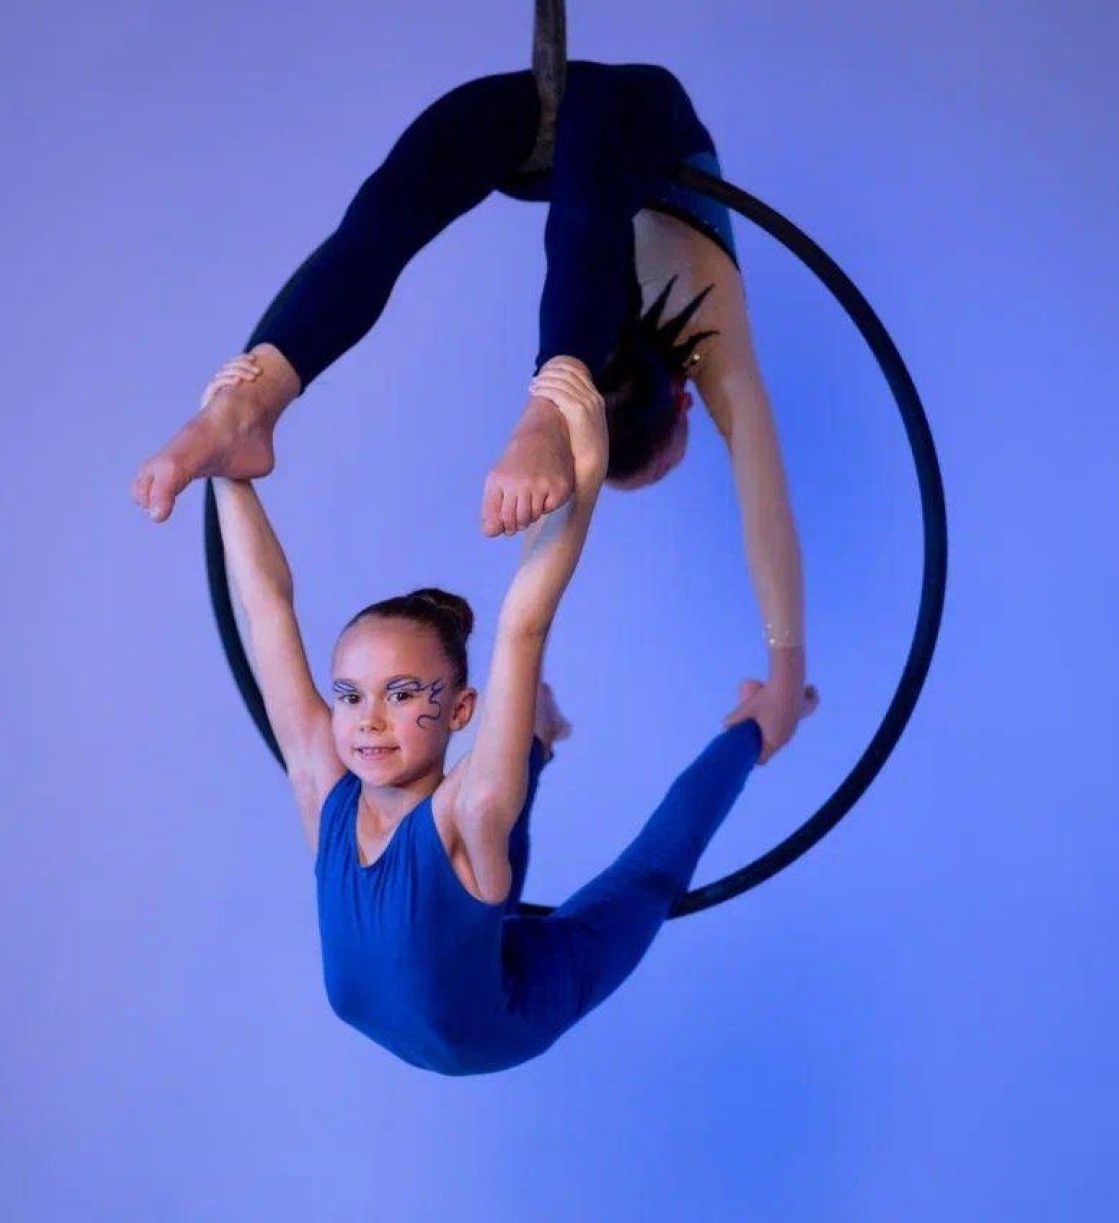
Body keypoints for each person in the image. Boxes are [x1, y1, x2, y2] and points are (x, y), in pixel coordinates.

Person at [132, 58, 813, 762]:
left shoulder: (695, 351)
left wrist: (530, 687)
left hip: (553, 143)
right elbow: (764, 501)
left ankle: (257, 393)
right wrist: (785, 678)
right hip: (630, 121)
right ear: (680, 396)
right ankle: (549, 406)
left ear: (680, 401)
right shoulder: (714, 346)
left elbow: (563, 518)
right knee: (578, 222)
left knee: (394, 207)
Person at [209, 357, 818, 1075]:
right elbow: (266, 608)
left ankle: (760, 722)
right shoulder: (323, 787)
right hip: (467, 923)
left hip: (515, 1011)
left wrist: (585, 471)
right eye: (349, 695)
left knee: (647, 876)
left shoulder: (466, 808)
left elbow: (522, 626)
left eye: (401, 694)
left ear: (460, 709)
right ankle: (536, 732)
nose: (367, 720)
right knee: (489, 837)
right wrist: (227, 463)